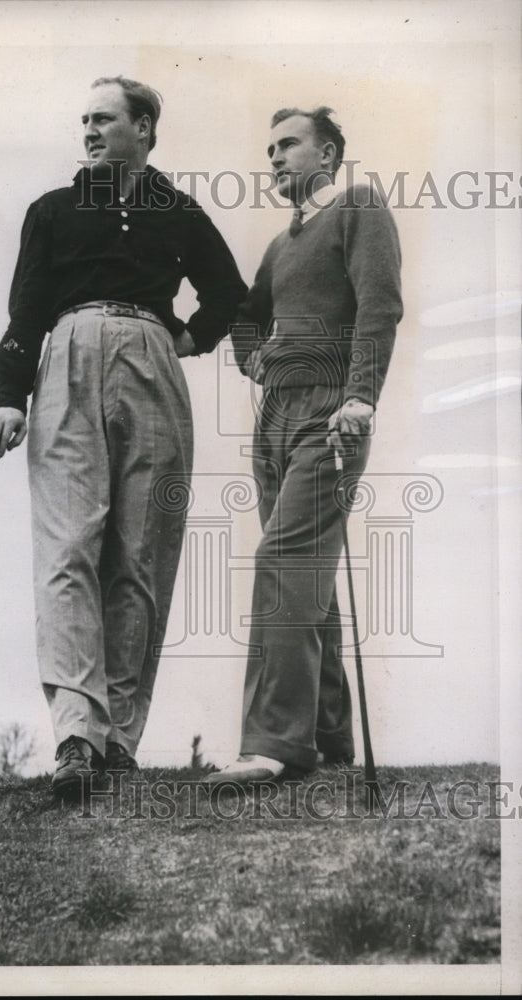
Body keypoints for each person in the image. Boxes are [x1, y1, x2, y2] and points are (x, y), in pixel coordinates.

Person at [0, 76, 247, 797]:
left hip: (152, 361)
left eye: (104, 119)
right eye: (84, 120)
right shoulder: (53, 210)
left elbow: (230, 293)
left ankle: (118, 741)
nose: (90, 130)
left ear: (145, 127)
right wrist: (10, 396)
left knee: (140, 553)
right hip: (67, 355)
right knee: (68, 548)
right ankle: (76, 735)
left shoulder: (179, 211)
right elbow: (26, 310)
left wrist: (184, 339)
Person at [206, 106, 403, 786]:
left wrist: (361, 398)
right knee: (306, 577)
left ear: (329, 154)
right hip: (274, 421)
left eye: (290, 144)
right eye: (270, 147)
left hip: (332, 412)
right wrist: (251, 355)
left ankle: (272, 745)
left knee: (284, 559)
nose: (276, 156)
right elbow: (245, 315)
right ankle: (326, 738)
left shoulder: (358, 205)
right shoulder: (279, 243)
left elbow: (380, 304)